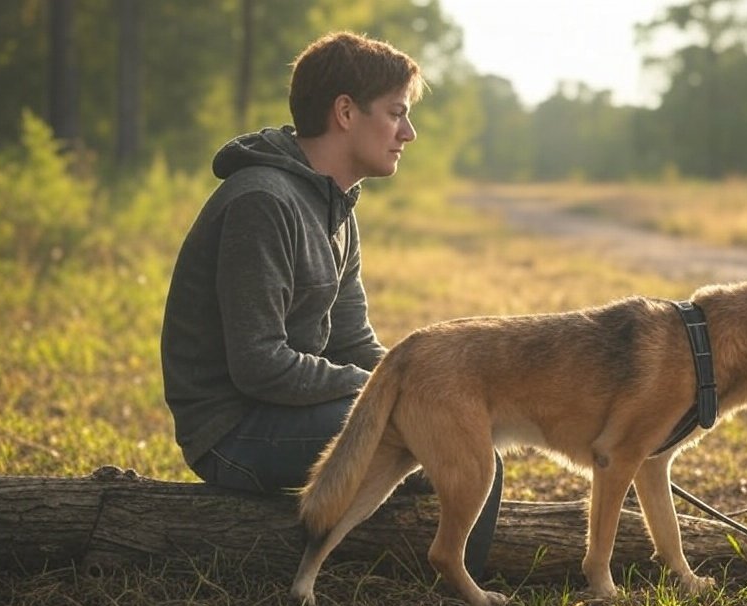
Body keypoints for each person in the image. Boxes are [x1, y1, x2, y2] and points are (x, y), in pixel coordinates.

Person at [160, 32, 500, 577]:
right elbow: (258, 364)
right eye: (396, 114)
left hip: (287, 411)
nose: (407, 133)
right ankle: (466, 598)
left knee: (453, 428)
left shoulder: (335, 203)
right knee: (458, 443)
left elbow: (352, 340)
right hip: (232, 432)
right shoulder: (262, 202)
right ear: (345, 111)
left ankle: (420, 563)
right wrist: (385, 395)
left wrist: (430, 381)